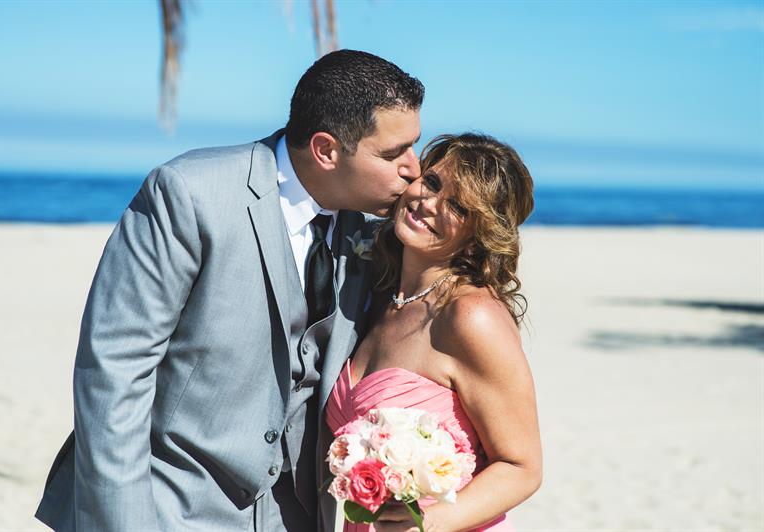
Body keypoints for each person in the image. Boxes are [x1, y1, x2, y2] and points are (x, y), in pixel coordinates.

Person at [35, 49, 423, 531]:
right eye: (393, 154)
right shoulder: (189, 193)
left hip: (300, 516)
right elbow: (114, 370)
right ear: (326, 150)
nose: (414, 168)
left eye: (414, 146)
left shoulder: (371, 228)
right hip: (171, 507)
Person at [324, 133, 542, 531]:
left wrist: (428, 521)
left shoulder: (470, 316)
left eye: (457, 206)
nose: (429, 203)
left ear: (479, 235)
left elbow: (522, 466)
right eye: (433, 182)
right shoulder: (376, 296)